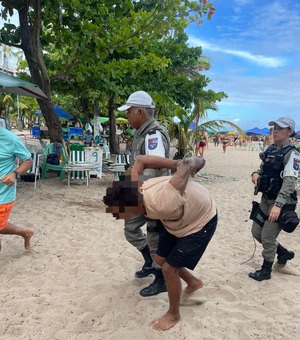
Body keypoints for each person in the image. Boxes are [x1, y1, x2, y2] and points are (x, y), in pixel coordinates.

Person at [104, 155, 217, 331]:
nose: (120, 217)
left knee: (169, 269)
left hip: (200, 221)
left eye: (121, 212)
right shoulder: (136, 187)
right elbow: (140, 160)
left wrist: (194, 163)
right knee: (159, 258)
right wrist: (176, 164)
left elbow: (193, 161)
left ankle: (173, 314)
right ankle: (194, 282)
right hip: (176, 219)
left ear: (133, 207)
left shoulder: (161, 203)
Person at [117, 90, 171, 297]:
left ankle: (161, 279)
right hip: (139, 190)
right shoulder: (141, 131)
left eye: (129, 111)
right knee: (130, 227)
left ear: (140, 111)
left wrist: (141, 194)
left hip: (152, 192)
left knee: (155, 234)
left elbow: (154, 167)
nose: (127, 115)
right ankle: (149, 260)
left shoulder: (153, 134)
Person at [249, 117, 300, 281]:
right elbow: (262, 169)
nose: (275, 131)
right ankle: (283, 253)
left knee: (268, 237)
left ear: (289, 131)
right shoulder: (270, 150)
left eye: (280, 128)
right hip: (266, 198)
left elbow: (290, 182)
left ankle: (266, 271)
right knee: (257, 232)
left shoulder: (292, 154)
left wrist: (278, 205)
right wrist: (256, 174)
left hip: (282, 202)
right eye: (274, 127)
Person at [0, 127, 34, 249]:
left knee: (1, 226)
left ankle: (25, 232)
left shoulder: (10, 139)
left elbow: (28, 161)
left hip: (2, 193)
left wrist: (15, 174)